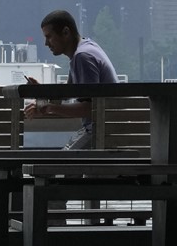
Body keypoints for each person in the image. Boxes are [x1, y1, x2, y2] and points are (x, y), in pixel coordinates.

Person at [24, 9, 119, 149]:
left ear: (66, 32)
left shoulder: (82, 57)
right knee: (61, 161)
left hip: (100, 132)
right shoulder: (86, 49)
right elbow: (68, 92)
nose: (46, 43)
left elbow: (90, 109)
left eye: (49, 37)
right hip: (105, 129)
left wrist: (49, 108)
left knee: (61, 164)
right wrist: (42, 91)